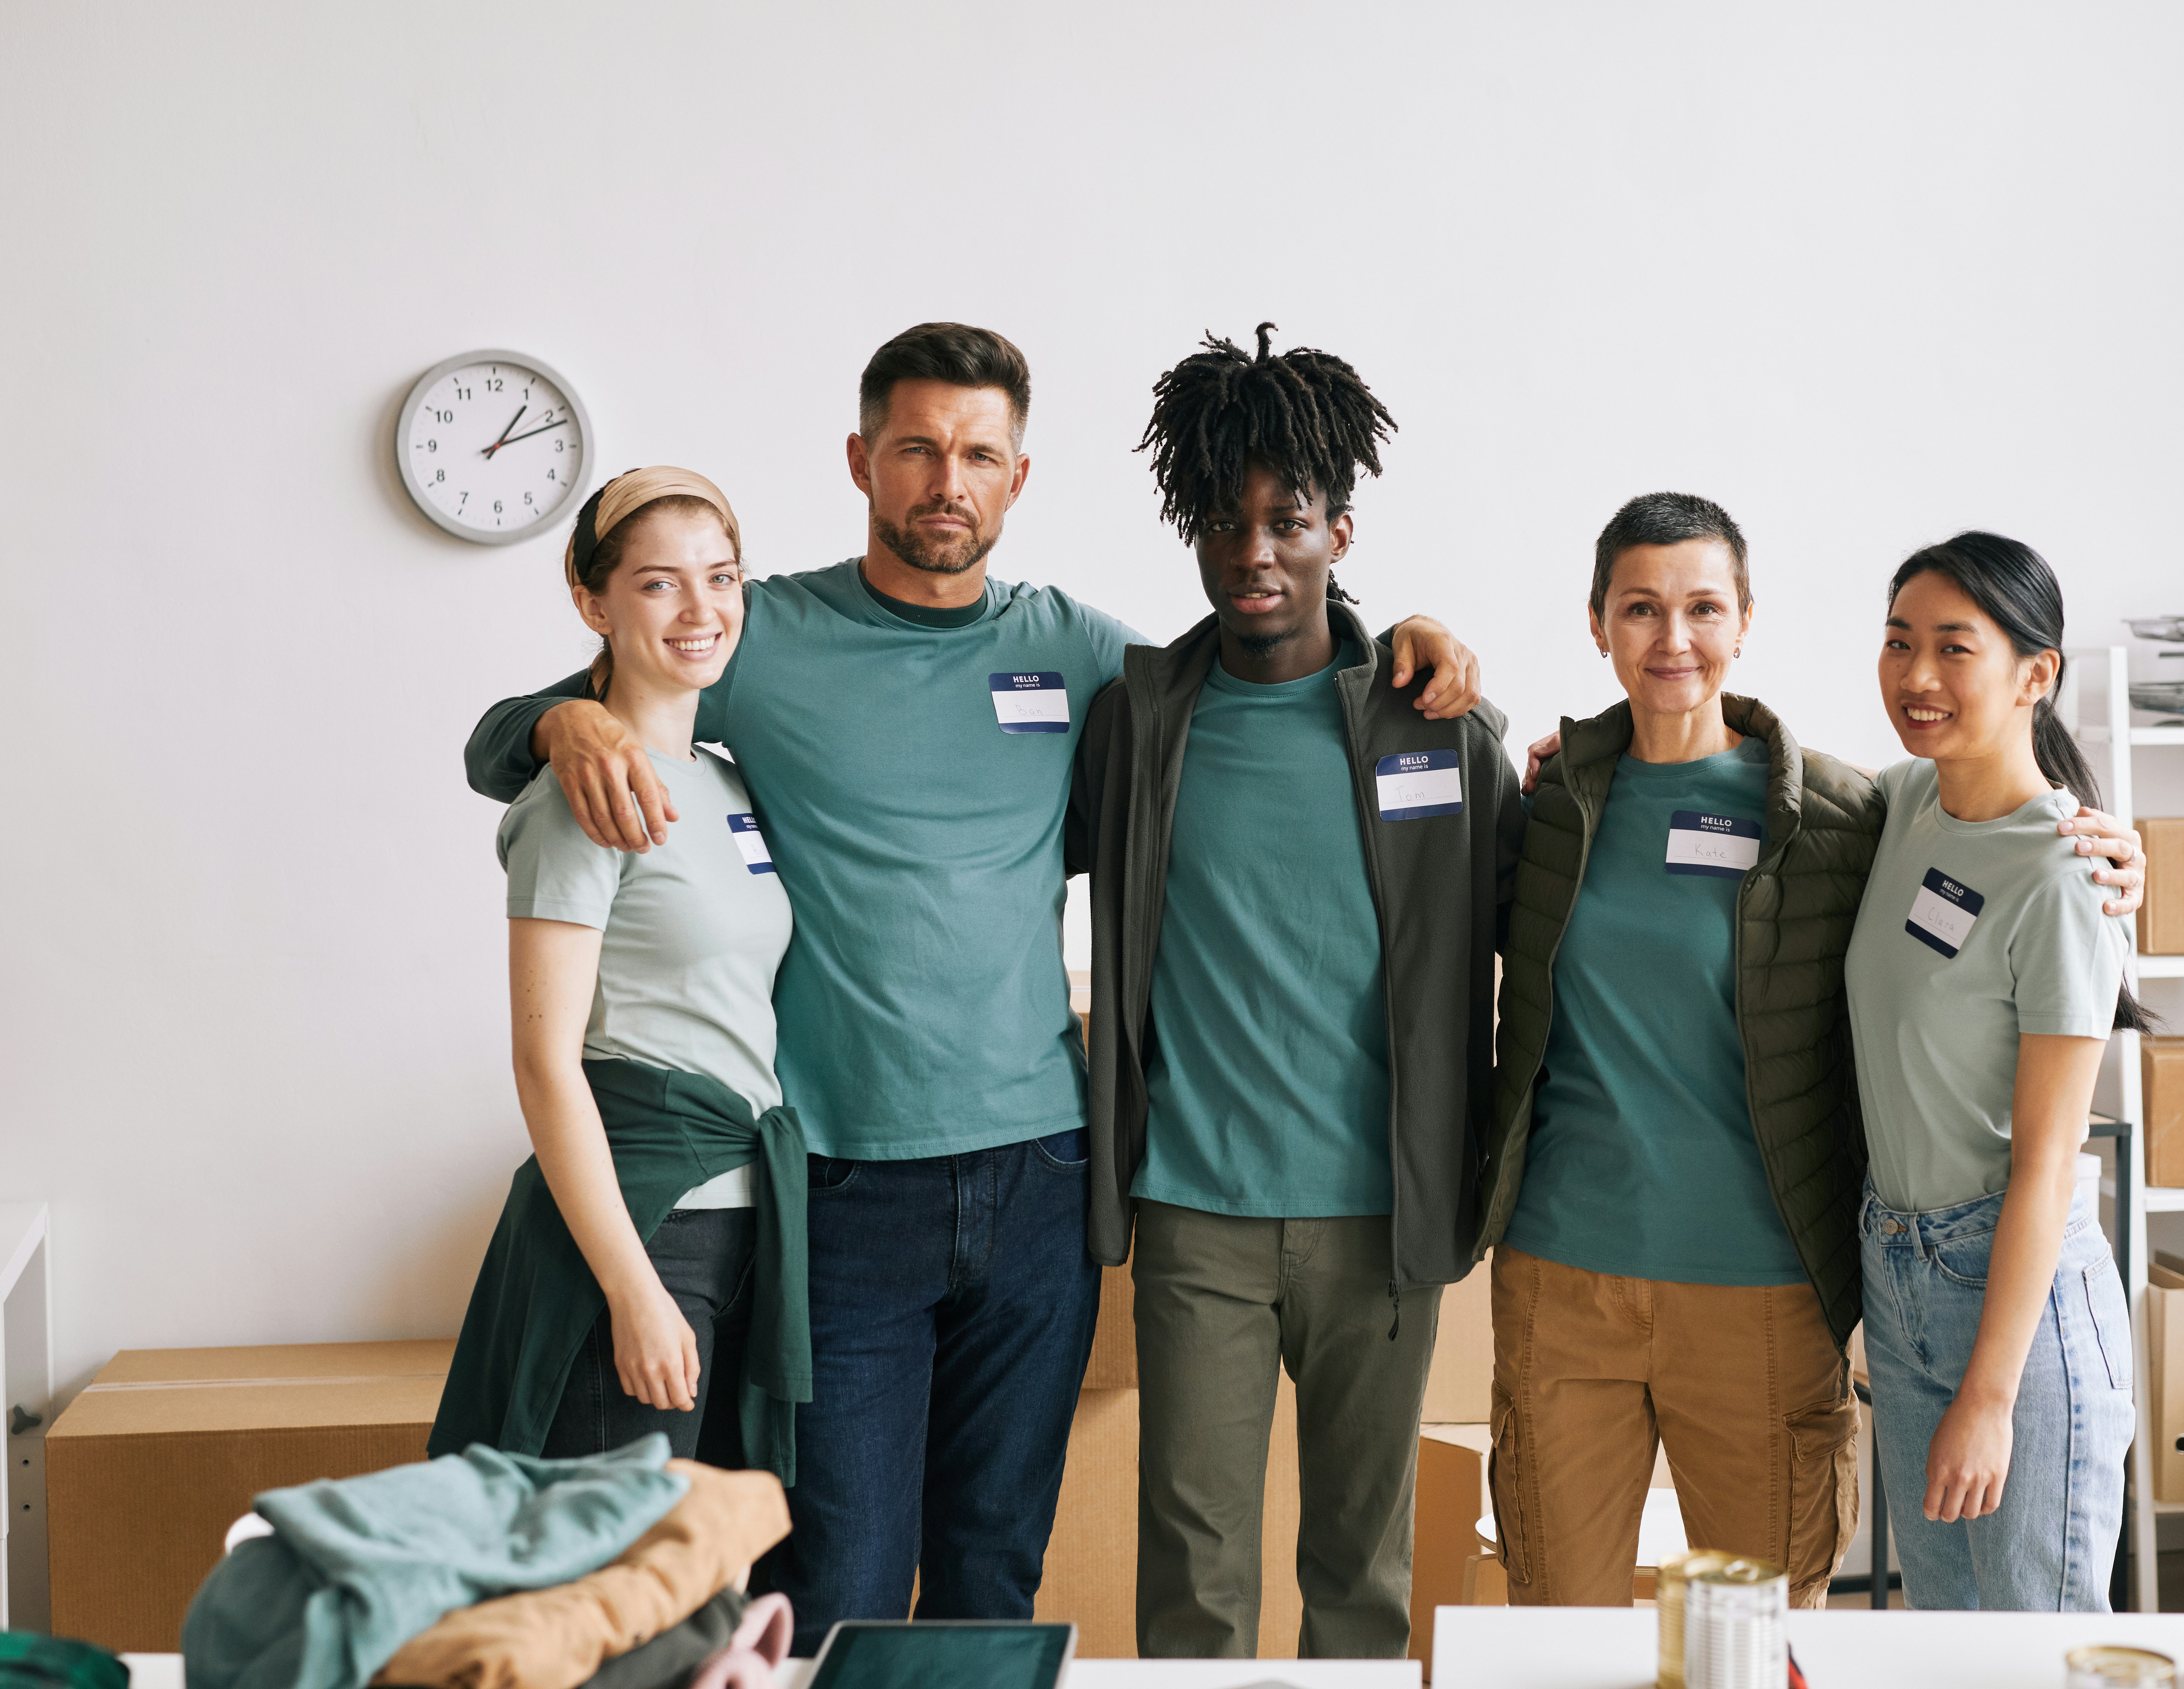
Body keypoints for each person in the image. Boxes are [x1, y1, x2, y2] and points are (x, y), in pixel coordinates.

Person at [459, 324, 1483, 1638]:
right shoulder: (758, 633)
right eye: (919, 450)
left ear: (1018, 477)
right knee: (839, 1583)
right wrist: (566, 716)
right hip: (840, 1189)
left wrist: (1410, 639)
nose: (950, 479)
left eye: (980, 454)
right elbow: (510, 740)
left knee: (997, 1580)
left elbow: (1257, 656)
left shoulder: (1085, 655)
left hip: (1041, 1187)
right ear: (862, 462)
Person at [1481, 496, 2145, 1610]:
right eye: (1640, 609)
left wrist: (2122, 858)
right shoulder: (1563, 804)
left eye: (1702, 607)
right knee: (1570, 1628)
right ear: (1597, 624)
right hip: (1595, 1279)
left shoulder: (1833, 815)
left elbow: (2031, 855)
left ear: (1746, 623)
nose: (1672, 639)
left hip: (1789, 1289)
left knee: (1796, 1638)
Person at [1069, 327, 1524, 1660]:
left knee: (1361, 1577)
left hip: (1383, 1216)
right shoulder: (1139, 719)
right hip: (1197, 1214)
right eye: (1223, 522)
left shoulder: (1436, 725)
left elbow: (1546, 909)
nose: (1254, 551)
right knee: (1195, 1579)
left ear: (1340, 526)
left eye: (1287, 519)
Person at [434, 467, 809, 1480]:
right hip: (646, 1225)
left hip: (746, 1228)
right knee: (618, 1578)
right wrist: (633, 1287)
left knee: (706, 1572)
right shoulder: (579, 797)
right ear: (592, 603)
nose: (701, 609)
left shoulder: (727, 780)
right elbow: (544, 1063)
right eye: (659, 584)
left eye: (722, 578)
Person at [1845, 532, 2142, 1612]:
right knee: (1944, 1643)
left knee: (2036, 1654)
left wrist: (1990, 1395)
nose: (1918, 678)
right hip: (1901, 1268)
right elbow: (1762, 771)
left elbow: (2048, 1168)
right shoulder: (1906, 805)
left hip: (2018, 1309)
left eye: (1953, 649)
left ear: (2036, 674)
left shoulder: (2068, 877)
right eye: (1898, 643)